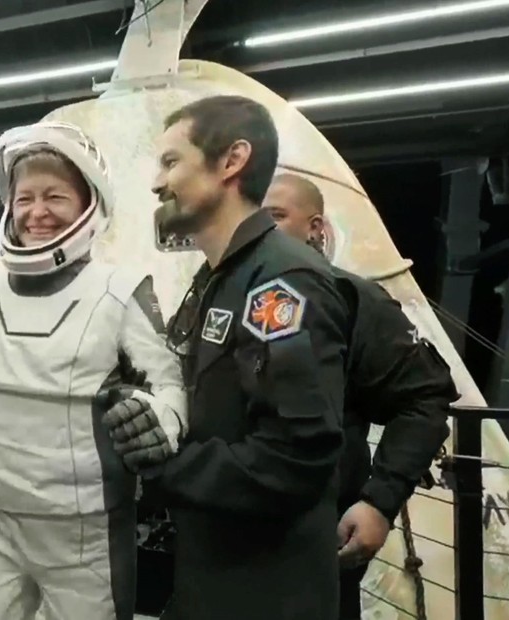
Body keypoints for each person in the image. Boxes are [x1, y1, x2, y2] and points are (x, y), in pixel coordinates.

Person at [0, 121, 187, 620]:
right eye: (24, 198)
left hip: (85, 537)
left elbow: (169, 382)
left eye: (55, 197)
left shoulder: (121, 290)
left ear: (89, 205)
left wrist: (163, 418)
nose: (36, 212)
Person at [133, 95, 350, 619]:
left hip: (266, 591)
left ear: (231, 162)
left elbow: (294, 459)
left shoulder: (281, 282)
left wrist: (159, 469)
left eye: (171, 162)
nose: (157, 184)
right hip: (213, 577)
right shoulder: (222, 278)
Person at [263, 173, 457, 619]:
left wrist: (378, 503)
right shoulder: (222, 295)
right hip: (222, 542)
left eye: (276, 216)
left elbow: (424, 398)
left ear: (315, 228)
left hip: (313, 539)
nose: (263, 230)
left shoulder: (353, 299)